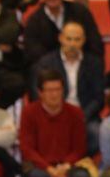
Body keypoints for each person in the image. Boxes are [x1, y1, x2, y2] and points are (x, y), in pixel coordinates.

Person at [31, 21, 105, 155]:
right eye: (69, 39)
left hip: (84, 114)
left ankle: (80, 161)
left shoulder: (94, 63)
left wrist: (81, 116)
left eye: (77, 39)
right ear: (60, 38)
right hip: (53, 114)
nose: (72, 44)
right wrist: (58, 114)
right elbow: (38, 95)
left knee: (98, 132)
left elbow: (98, 98)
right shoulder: (46, 63)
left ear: (84, 40)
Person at [23, 0, 103, 64]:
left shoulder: (80, 12)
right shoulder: (34, 21)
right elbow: (32, 51)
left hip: (81, 65)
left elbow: (95, 42)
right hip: (49, 70)